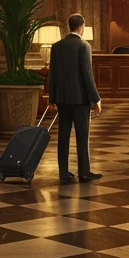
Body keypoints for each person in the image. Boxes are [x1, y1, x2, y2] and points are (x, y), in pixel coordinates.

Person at [47, 14, 102, 184]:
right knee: (82, 135)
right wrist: (96, 99)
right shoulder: (83, 46)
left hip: (62, 99)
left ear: (69, 26)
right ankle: (84, 173)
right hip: (80, 100)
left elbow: (53, 74)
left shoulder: (57, 46)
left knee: (63, 135)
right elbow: (87, 75)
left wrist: (52, 98)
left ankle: (63, 172)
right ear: (82, 26)